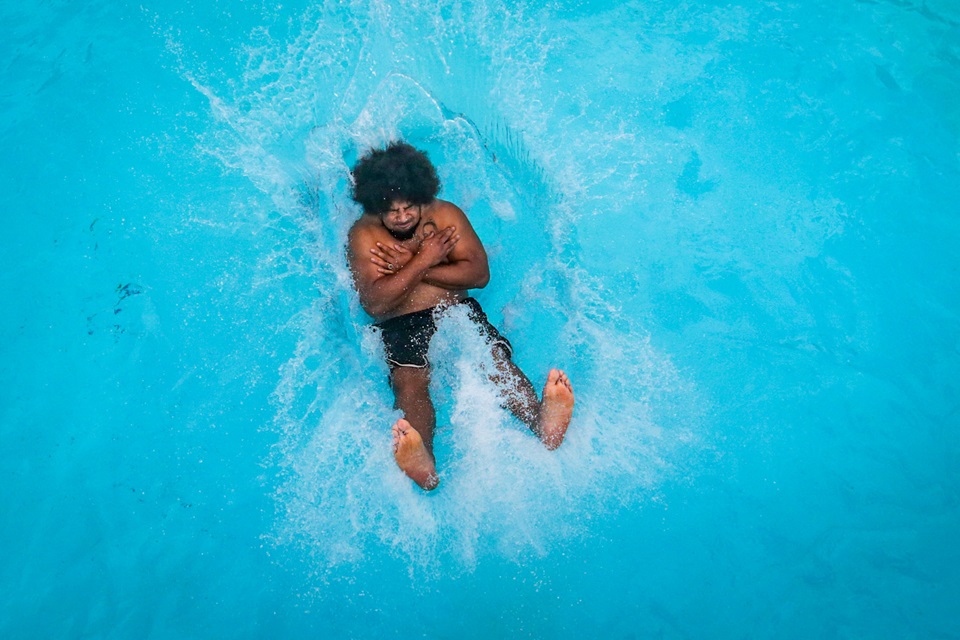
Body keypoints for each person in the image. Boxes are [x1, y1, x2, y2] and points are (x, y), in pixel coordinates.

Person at [346, 141, 574, 490]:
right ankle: (424, 462)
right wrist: (424, 259)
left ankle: (541, 420)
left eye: (410, 207)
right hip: (400, 321)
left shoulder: (446, 215)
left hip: (454, 309)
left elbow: (479, 275)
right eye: (392, 211)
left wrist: (409, 268)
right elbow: (375, 304)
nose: (403, 216)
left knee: (493, 361)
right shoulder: (363, 235)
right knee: (410, 382)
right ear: (376, 206)